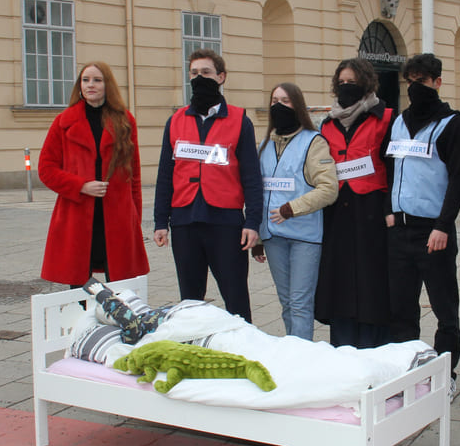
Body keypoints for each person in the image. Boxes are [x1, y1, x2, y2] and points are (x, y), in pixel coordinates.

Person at [153, 49, 262, 320]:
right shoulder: (176, 120)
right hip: (185, 220)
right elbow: (166, 173)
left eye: (206, 73)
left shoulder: (240, 121)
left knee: (235, 297)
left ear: (221, 77)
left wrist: (253, 222)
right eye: (194, 73)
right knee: (190, 301)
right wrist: (159, 221)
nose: (199, 78)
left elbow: (251, 176)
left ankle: (243, 351)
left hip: (225, 222)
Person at [386, 54, 460, 383]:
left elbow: (459, 180)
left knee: (444, 308)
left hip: (433, 231)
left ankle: (445, 373)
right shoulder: (397, 123)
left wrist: (443, 225)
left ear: (437, 82)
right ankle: (405, 370)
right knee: (401, 308)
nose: (416, 87)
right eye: (411, 81)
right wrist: (389, 212)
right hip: (400, 229)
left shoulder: (452, 125)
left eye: (423, 81)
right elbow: (389, 171)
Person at [39, 62, 149, 287]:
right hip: (77, 214)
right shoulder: (64, 122)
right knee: (79, 283)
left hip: (117, 214)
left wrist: (135, 216)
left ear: (107, 85)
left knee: (121, 285)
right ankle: (83, 321)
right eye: (85, 80)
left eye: (97, 80)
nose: (90, 85)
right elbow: (46, 169)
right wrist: (80, 185)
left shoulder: (125, 121)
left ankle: (119, 321)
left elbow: (134, 175)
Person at [315, 57, 396, 348]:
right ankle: (344, 340)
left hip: (372, 209)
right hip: (337, 211)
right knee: (341, 277)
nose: (346, 86)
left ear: (367, 83)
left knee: (372, 275)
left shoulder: (385, 117)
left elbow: (392, 166)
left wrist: (390, 209)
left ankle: (375, 341)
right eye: (342, 82)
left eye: (353, 82)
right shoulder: (328, 124)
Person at [253, 83, 338, 340]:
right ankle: (292, 350)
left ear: (297, 106)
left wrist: (293, 209)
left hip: (304, 236)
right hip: (273, 238)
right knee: (287, 302)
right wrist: (258, 235)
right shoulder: (264, 145)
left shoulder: (313, 142)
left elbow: (329, 188)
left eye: (286, 101)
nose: (279, 105)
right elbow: (259, 192)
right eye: (275, 100)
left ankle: (301, 360)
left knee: (300, 304)